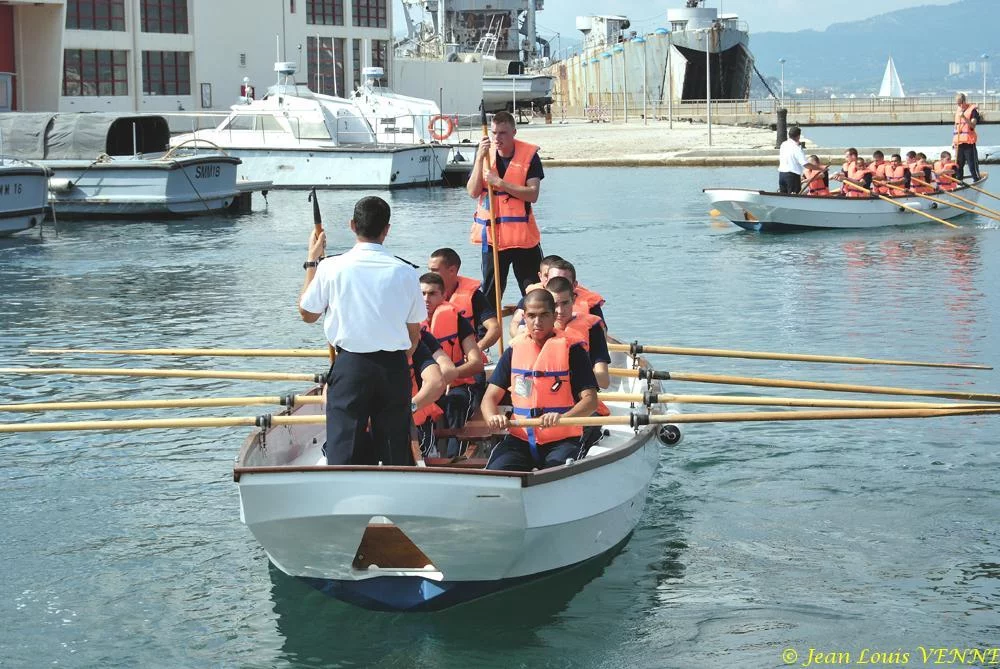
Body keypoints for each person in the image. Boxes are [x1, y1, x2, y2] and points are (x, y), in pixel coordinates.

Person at [299, 196, 423, 466]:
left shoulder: (330, 267)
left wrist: (312, 261)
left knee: (344, 451)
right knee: (394, 452)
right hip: (393, 367)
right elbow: (414, 334)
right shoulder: (406, 272)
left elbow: (307, 314)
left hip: (352, 365)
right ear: (387, 229)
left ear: (352, 225)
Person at [481, 290, 598, 472]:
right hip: (520, 438)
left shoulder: (573, 351)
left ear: (554, 316)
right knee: (497, 471)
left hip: (562, 439)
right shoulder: (514, 350)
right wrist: (492, 417)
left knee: (556, 472)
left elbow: (591, 401)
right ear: (524, 318)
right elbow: (489, 398)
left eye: (544, 315)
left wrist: (563, 418)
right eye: (531, 316)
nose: (537, 322)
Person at [466, 110, 545, 302]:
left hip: (523, 239)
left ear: (513, 132)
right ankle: (490, 322)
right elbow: (473, 192)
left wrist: (500, 183)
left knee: (534, 292)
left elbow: (532, 194)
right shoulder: (484, 154)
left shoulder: (529, 156)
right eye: (494, 133)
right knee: (490, 294)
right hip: (493, 238)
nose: (497, 138)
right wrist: (479, 159)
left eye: (502, 133)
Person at [420, 272, 484, 458]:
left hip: (456, 385)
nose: (426, 299)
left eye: (432, 294)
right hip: (425, 388)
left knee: (455, 403)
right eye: (422, 294)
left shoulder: (457, 321)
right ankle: (425, 455)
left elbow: (476, 363)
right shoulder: (412, 326)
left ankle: (455, 459)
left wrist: (451, 374)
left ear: (443, 295)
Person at [427, 248, 501, 355]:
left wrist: (476, 349)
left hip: (466, 357)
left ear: (452, 270)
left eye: (434, 270)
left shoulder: (474, 296)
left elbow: (495, 328)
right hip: (433, 357)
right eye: (429, 269)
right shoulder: (422, 296)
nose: (430, 275)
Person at [509, 258, 607, 337]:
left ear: (574, 285)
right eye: (553, 280)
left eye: (563, 281)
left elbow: (602, 332)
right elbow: (518, 326)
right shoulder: (535, 301)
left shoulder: (589, 303)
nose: (558, 284)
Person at [953, 92, 981, 182]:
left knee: (972, 165)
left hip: (969, 143)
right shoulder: (958, 111)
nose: (959, 105)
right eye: (957, 103)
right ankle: (959, 182)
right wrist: (953, 142)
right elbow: (955, 127)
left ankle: (976, 179)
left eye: (960, 103)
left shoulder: (972, 111)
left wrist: (964, 117)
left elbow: (973, 125)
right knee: (958, 165)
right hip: (959, 143)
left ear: (964, 101)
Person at [777, 126, 808, 194]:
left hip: (782, 175)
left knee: (783, 196)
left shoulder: (783, 144)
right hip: (792, 176)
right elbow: (805, 164)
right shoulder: (796, 147)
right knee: (794, 197)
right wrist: (819, 168)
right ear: (798, 136)